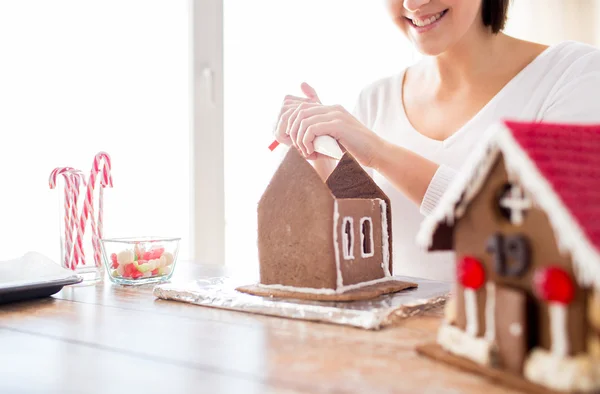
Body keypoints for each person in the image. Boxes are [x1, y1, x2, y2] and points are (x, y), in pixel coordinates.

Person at [272, 0, 600, 281]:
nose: (413, 3)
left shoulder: (573, 75)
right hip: (388, 350)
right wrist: (319, 155)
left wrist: (380, 153)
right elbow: (353, 259)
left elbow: (541, 241)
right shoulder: (376, 99)